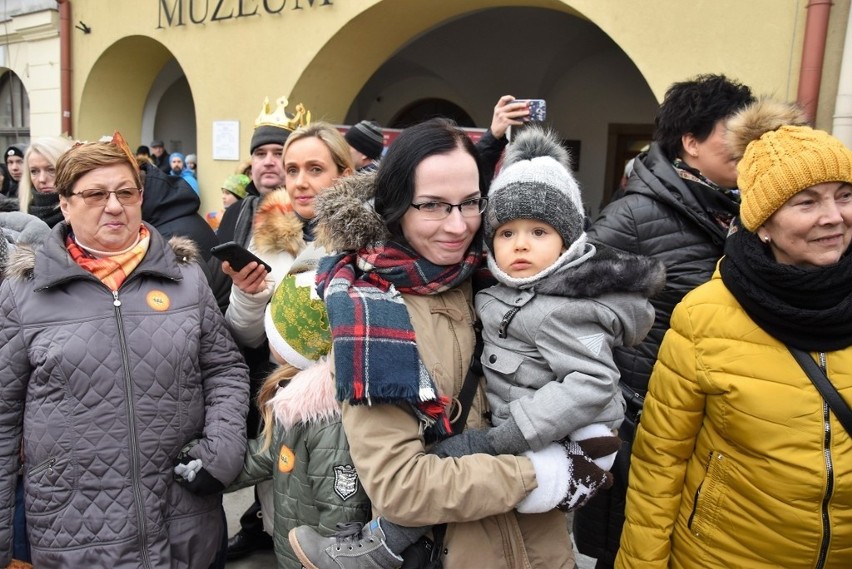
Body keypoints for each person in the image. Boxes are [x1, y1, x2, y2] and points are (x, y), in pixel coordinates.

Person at [290, 126, 662, 569]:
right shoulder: (369, 312)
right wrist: (540, 473)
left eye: (470, 202)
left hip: (543, 552)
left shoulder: (502, 278)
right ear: (394, 207)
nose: (458, 224)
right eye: (432, 205)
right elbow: (401, 488)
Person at [616, 98, 852, 568]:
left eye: (844, 194)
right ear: (762, 222)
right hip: (721, 555)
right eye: (806, 202)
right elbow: (660, 463)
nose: (833, 216)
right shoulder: (704, 317)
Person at [0, 132, 250, 568]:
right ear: (65, 203)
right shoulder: (23, 293)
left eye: (126, 192)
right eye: (95, 194)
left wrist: (223, 449)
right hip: (74, 530)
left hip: (183, 519)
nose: (114, 206)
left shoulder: (186, 279)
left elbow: (224, 368)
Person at [574, 74, 755, 568]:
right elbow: (578, 302)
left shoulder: (740, 209)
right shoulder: (634, 214)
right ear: (691, 142)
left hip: (712, 412)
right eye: (733, 133)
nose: (747, 145)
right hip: (643, 415)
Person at [223, 109, 354, 561]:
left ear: (344, 174)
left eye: (315, 169)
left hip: (346, 410)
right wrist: (250, 294)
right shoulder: (270, 233)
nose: (299, 181)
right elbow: (244, 333)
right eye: (293, 169)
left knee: (341, 519)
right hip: (279, 396)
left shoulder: (369, 241)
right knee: (282, 506)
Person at [227, 266, 371, 568]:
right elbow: (272, 454)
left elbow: (342, 516)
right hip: (294, 550)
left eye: (274, 332)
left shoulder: (328, 422)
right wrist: (215, 470)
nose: (267, 338)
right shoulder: (298, 403)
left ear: (293, 348)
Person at [17, 136, 74, 228]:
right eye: (34, 171)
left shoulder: (80, 217)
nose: (42, 179)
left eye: (51, 170)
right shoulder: (18, 218)